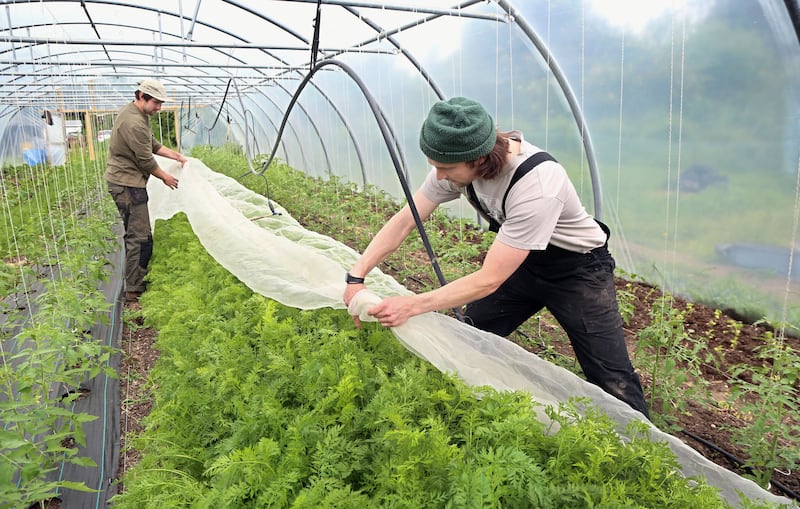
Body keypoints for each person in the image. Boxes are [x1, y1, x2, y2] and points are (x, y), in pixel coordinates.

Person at [343, 97, 649, 417]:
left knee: (611, 377)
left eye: (445, 168)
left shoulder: (538, 182)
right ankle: (458, 410)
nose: (439, 176)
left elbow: (490, 279)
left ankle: (644, 450)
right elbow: (407, 219)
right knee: (469, 336)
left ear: (477, 158)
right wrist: (357, 274)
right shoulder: (456, 168)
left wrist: (412, 304)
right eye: (436, 166)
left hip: (578, 271)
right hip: (523, 263)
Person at [104, 79, 188, 303]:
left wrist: (177, 156)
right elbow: (145, 159)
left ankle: (135, 282)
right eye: (156, 103)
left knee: (137, 234)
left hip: (126, 182)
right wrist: (166, 178)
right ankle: (134, 290)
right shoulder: (133, 122)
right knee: (140, 237)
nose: (159, 108)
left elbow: (152, 145)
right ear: (141, 96)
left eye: (161, 103)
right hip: (127, 185)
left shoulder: (137, 115)